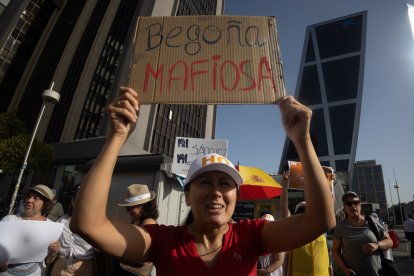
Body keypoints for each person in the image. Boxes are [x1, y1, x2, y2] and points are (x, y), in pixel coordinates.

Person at [70, 86, 336, 275]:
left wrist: (302, 140)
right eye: (205, 183)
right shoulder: (163, 241)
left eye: (225, 184)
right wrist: (116, 137)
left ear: (236, 196)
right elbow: (88, 225)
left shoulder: (251, 236)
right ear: (187, 195)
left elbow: (321, 220)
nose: (216, 192)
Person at [1, 184, 60, 276]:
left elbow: (48, 260)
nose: (29, 200)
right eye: (28, 197)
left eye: (36, 198)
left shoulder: (51, 227)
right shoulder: (9, 220)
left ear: (45, 204)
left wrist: (54, 252)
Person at [332, 191, 393, 276]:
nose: (353, 205)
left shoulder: (372, 222)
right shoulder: (340, 226)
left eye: (356, 202)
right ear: (344, 208)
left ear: (360, 205)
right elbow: (335, 250)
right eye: (349, 203)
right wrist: (345, 270)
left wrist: (377, 245)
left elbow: (390, 242)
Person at [280, 175, 330, 276]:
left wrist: (329, 184)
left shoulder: (320, 225)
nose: (303, 214)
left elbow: (327, 205)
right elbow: (284, 206)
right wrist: (285, 185)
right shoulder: (293, 228)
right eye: (300, 211)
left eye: (306, 211)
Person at [46, 185, 96, 276]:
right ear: (72, 201)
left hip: (83, 267)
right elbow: (52, 242)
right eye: (76, 198)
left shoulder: (95, 225)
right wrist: (55, 248)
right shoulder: (62, 221)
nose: (79, 202)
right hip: (60, 266)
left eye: (84, 198)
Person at [110, 184, 159, 276]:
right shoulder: (137, 220)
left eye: (131, 207)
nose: (128, 211)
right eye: (127, 208)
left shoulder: (149, 223)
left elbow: (142, 255)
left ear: (145, 206)